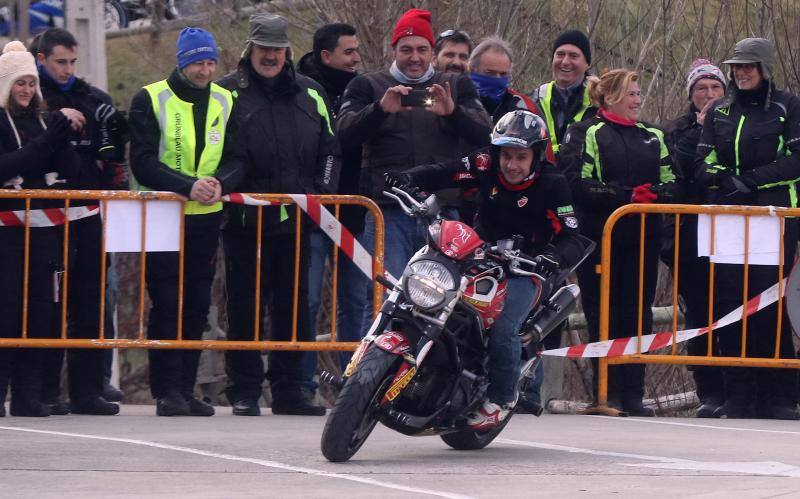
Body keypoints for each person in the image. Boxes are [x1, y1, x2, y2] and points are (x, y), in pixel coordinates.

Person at [386, 110, 586, 430]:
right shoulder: (485, 163)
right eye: (506, 155)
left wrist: (552, 259)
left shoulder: (553, 184)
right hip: (478, 255)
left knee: (505, 327)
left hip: (526, 270)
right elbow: (447, 171)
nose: (512, 164)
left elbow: (572, 235)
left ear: (536, 155)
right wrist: (410, 177)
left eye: (521, 157)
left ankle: (502, 398)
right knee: (423, 294)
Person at [337, 8, 491, 335]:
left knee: (443, 301)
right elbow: (344, 136)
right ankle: (369, 376)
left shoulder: (456, 84)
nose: (415, 57)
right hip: (387, 212)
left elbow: (486, 136)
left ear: (432, 53)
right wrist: (379, 111)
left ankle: (426, 379)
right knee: (383, 297)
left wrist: (453, 114)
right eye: (406, 49)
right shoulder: (367, 85)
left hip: (443, 214)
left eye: (422, 50)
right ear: (393, 51)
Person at [218, 13, 340, 417]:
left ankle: (289, 391)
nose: (269, 56)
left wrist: (319, 192)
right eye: (263, 48)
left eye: (276, 49)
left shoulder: (311, 92)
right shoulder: (226, 92)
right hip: (242, 221)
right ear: (249, 50)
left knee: (294, 305)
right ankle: (244, 390)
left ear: (287, 51)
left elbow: (330, 150)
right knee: (244, 304)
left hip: (296, 220)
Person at [129, 27, 243, 417]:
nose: (205, 69)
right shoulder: (151, 97)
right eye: (197, 62)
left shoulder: (227, 99)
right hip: (163, 212)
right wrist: (187, 186)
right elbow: (142, 161)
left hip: (206, 217)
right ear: (182, 62)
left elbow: (239, 158)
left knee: (196, 304)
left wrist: (219, 183)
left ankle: (186, 387)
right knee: (166, 301)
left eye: (210, 61)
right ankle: (165, 390)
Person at [560, 69, 681, 416]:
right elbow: (578, 183)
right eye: (631, 94)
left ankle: (633, 392)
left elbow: (674, 181)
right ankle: (606, 391)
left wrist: (653, 196)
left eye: (639, 94)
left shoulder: (653, 135)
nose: (638, 100)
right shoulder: (586, 132)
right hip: (602, 239)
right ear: (610, 96)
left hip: (643, 238)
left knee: (638, 313)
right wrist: (625, 196)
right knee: (603, 313)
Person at [694, 38, 800, 420]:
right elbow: (702, 159)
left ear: (764, 69)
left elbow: (796, 160)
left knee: (769, 302)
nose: (742, 72)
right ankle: (737, 395)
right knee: (729, 303)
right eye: (737, 66)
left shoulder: (789, 106)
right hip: (729, 216)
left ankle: (778, 396)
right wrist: (724, 182)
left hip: (775, 216)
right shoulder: (720, 109)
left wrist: (752, 181)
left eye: (749, 66)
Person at [32, 27, 127, 416]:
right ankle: (46, 389)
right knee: (48, 304)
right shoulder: (26, 99)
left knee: (91, 301)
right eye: (60, 62)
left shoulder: (93, 100)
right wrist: (53, 118)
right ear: (41, 60)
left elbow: (113, 162)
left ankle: (89, 389)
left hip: (88, 215)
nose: (67, 69)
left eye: (72, 62)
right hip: (43, 219)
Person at [0, 40, 81, 417]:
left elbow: (71, 172)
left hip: (46, 232)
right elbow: (9, 164)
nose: (27, 91)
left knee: (41, 312)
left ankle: (30, 395)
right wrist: (47, 143)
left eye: (31, 84)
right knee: (7, 311)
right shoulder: (1, 121)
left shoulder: (44, 119)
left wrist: (64, 138)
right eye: (19, 83)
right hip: (8, 234)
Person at [297, 23, 366, 395]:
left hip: (356, 208)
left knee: (355, 301)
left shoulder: (367, 88)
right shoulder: (299, 89)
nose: (357, 57)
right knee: (306, 299)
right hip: (311, 210)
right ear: (326, 56)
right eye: (349, 51)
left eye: (357, 50)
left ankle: (352, 381)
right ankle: (303, 380)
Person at [662, 59, 727, 418]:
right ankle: (708, 389)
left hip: (732, 233)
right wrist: (701, 130)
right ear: (691, 94)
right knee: (699, 313)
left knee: (733, 309)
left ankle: (737, 386)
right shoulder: (676, 130)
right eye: (702, 88)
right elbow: (678, 170)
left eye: (716, 88)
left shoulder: (736, 122)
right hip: (688, 237)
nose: (709, 94)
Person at [531, 29, 597, 161]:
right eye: (560, 54)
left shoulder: (602, 101)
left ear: (587, 63)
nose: (565, 61)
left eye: (573, 56)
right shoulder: (534, 99)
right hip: (544, 176)